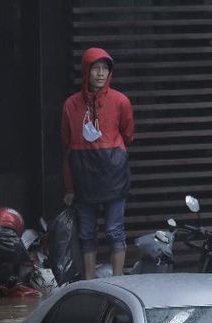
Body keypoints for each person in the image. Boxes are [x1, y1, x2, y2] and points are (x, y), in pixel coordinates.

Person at [61, 47, 134, 279]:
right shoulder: (71, 105)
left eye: (105, 68)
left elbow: (128, 134)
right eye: (95, 68)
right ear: (86, 71)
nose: (100, 73)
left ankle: (118, 278)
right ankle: (90, 280)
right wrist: (69, 187)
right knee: (86, 232)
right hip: (84, 174)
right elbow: (67, 142)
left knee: (115, 231)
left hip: (113, 173)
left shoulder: (121, 101)